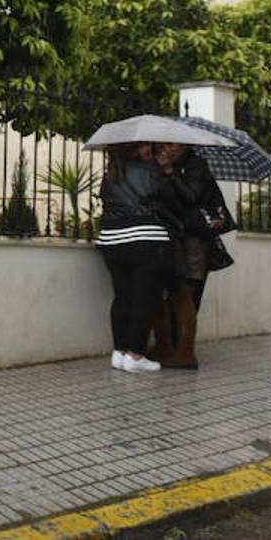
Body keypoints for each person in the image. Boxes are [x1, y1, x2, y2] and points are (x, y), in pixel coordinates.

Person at [96, 141, 183, 373]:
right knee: (144, 299)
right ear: (133, 149)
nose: (149, 149)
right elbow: (173, 202)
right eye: (144, 145)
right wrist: (167, 173)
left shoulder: (109, 175)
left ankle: (119, 352)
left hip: (112, 241)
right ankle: (135, 355)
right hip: (146, 240)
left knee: (122, 296)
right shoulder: (151, 171)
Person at [150, 142, 233, 369]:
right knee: (168, 294)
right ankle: (167, 347)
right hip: (176, 237)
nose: (169, 148)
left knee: (184, 294)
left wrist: (169, 172)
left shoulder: (195, 165)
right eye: (167, 144)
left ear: (185, 145)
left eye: (175, 144)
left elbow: (190, 196)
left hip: (193, 242)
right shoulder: (169, 165)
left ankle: (185, 352)